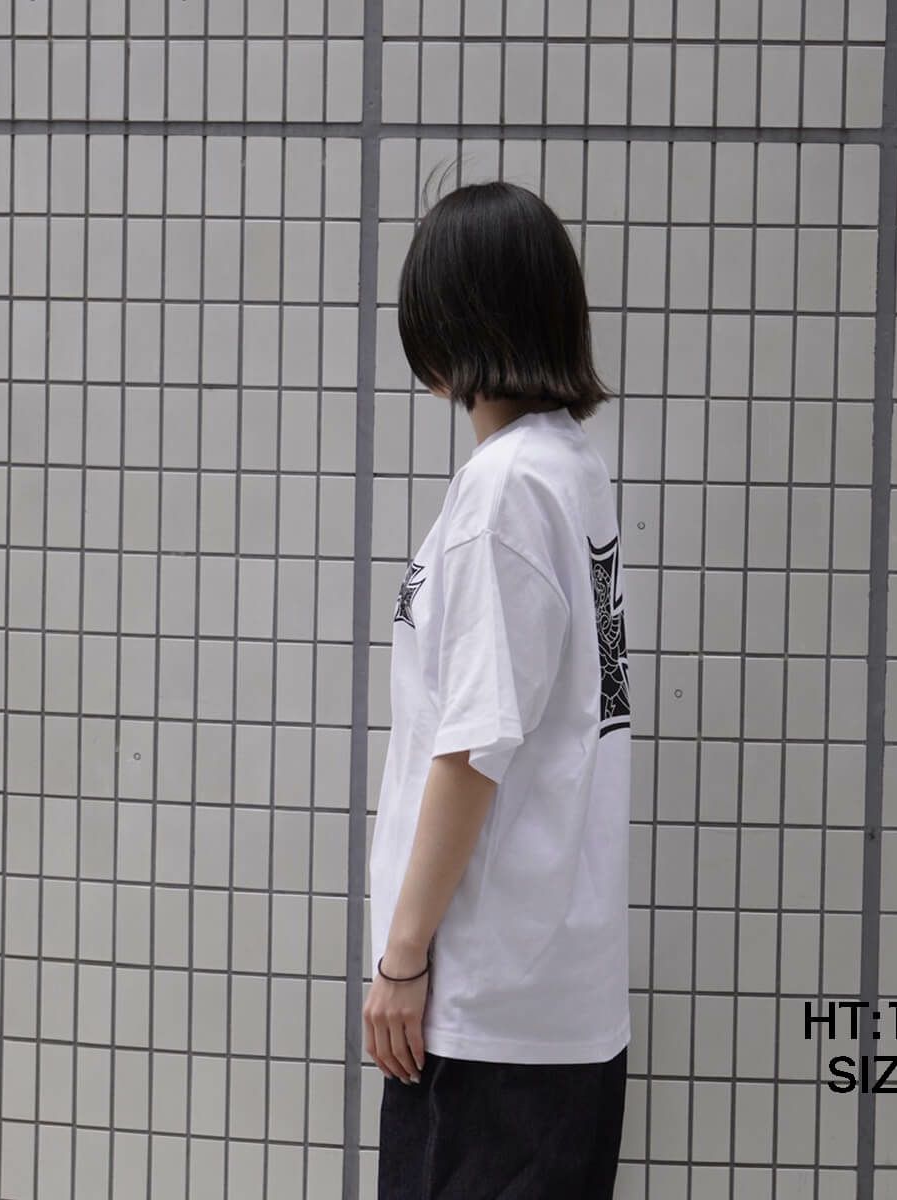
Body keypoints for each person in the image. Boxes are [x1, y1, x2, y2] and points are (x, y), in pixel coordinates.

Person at [364, 170, 633, 1199]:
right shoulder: (569, 469)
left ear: (453, 323)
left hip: (489, 1009)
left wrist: (402, 961)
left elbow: (475, 747)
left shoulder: (504, 492)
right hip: (557, 994)